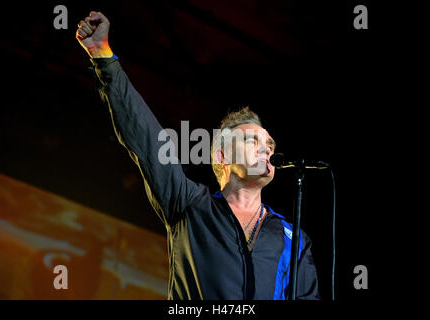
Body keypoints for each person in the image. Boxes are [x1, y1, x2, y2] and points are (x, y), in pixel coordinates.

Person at [76, 11, 320, 300]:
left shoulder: (293, 238)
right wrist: (103, 58)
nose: (266, 148)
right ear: (222, 154)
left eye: (269, 143)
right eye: (252, 139)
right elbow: (145, 138)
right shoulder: (190, 205)